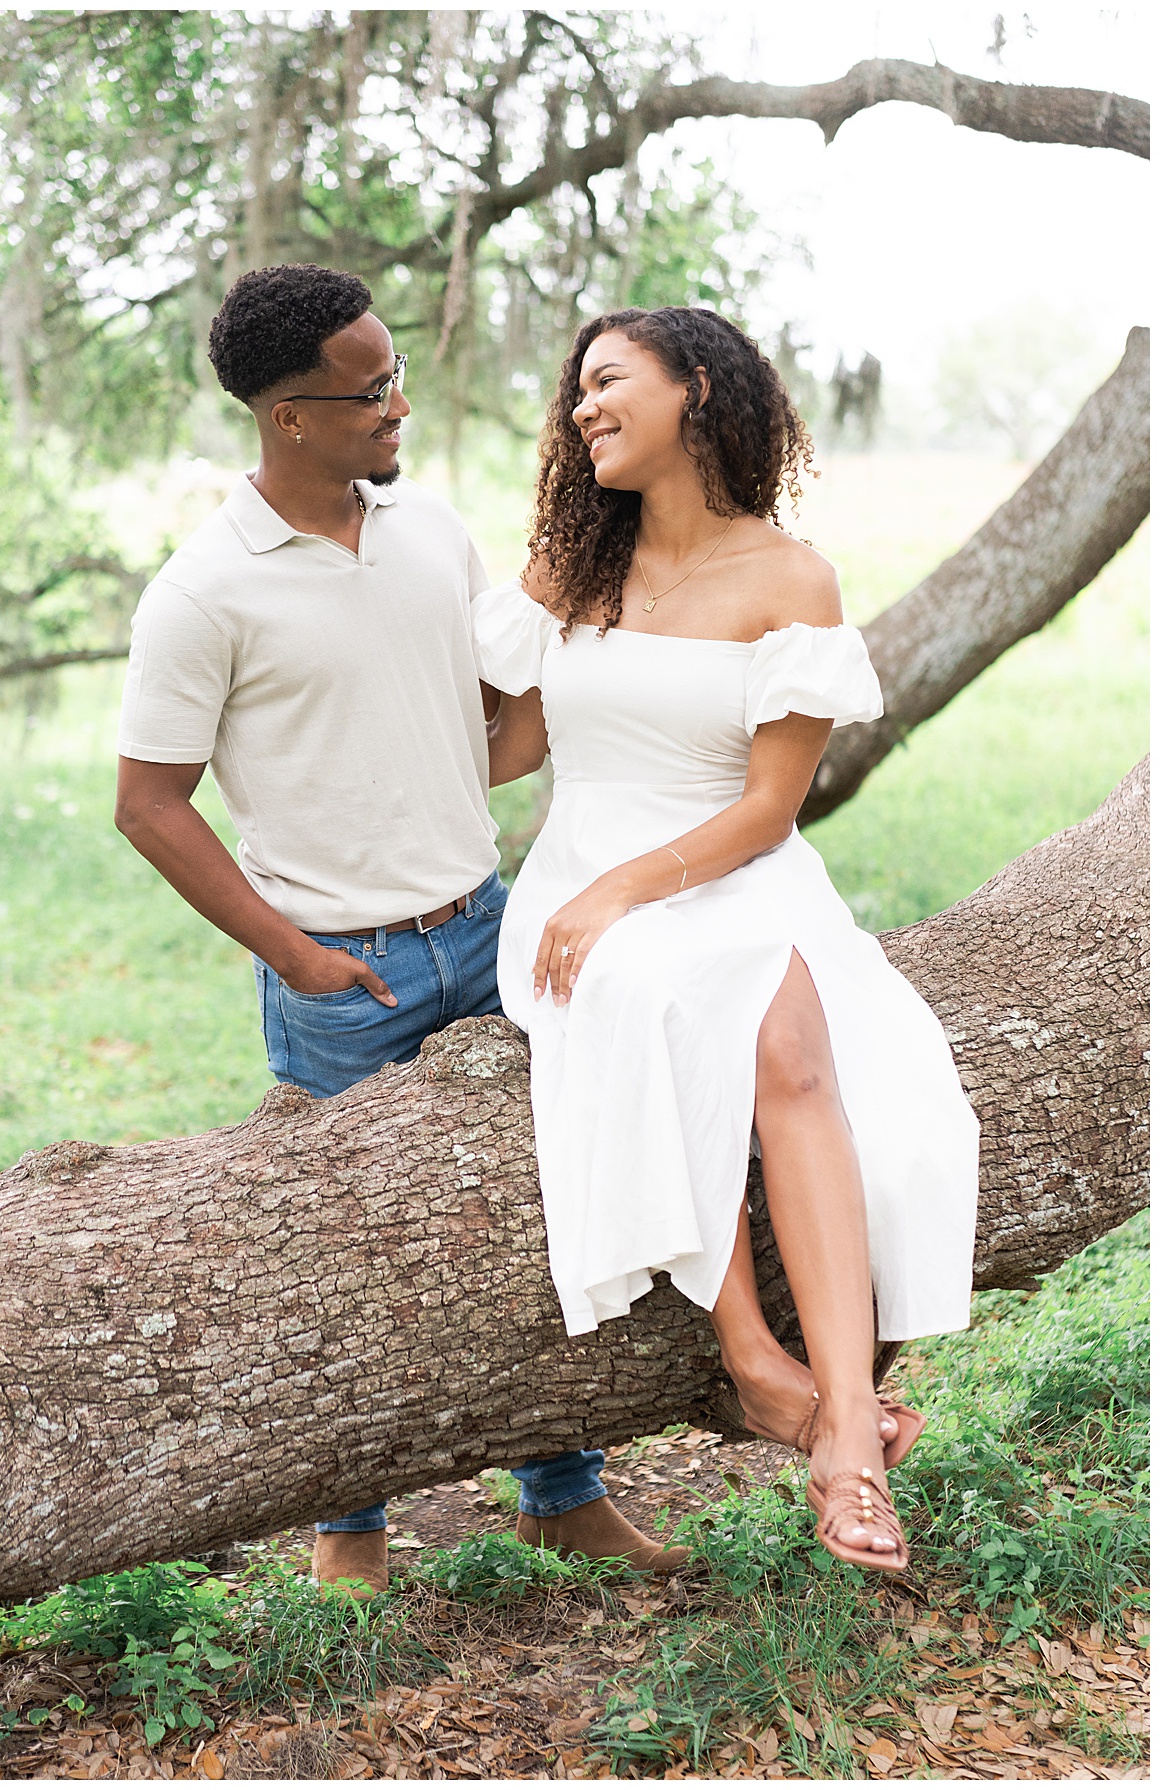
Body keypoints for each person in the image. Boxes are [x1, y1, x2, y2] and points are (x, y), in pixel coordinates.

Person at [113, 264, 688, 1598]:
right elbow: (149, 806)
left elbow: (486, 735)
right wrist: (297, 953)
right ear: (288, 418)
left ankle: (562, 1491)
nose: (398, 406)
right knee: (346, 1251)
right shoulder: (202, 593)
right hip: (339, 974)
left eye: (396, 374)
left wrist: (588, 652)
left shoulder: (430, 530)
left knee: (543, 1212)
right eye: (368, 390)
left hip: (489, 930)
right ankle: (351, 1525)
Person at [472, 306, 980, 1573]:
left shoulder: (789, 581)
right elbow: (504, 753)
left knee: (792, 1047)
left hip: (731, 870)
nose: (582, 408)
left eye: (608, 381)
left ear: (696, 386)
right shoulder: (564, 569)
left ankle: (834, 1423)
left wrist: (635, 889)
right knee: (672, 998)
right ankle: (760, 1360)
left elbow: (768, 806)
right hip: (581, 877)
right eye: (574, 393)